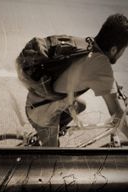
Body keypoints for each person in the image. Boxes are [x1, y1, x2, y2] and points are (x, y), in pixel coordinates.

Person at [17, 13, 128, 147]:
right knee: (52, 162)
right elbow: (116, 112)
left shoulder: (88, 44)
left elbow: (96, 72)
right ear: (114, 49)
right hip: (40, 113)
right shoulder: (101, 66)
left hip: (37, 101)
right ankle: (46, 138)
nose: (123, 53)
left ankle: (45, 135)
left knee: (80, 105)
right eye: (124, 49)